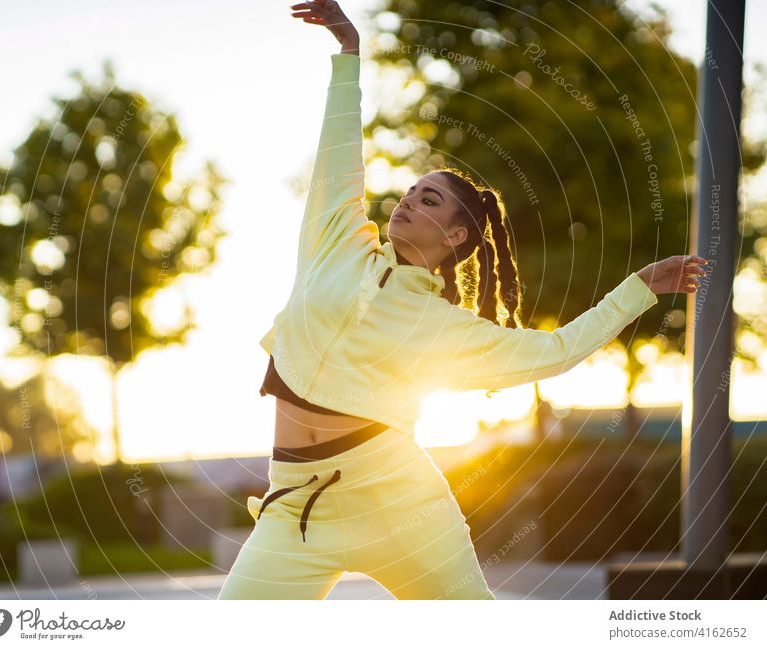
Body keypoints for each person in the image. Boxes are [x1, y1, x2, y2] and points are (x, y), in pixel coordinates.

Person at [217, 0, 708, 600]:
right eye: (411, 191)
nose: (408, 201)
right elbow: (337, 155)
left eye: (429, 201)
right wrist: (349, 53)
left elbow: (554, 352)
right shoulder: (336, 241)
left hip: (399, 501)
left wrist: (638, 290)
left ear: (455, 237)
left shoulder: (445, 325)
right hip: (296, 505)